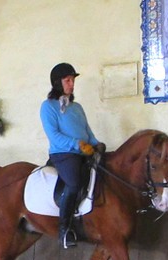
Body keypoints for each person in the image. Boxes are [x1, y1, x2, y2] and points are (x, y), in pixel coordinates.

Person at [40, 63, 104, 249]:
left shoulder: (77, 107)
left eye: (73, 80)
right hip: (63, 154)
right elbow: (54, 136)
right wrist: (77, 144)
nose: (72, 84)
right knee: (74, 182)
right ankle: (64, 230)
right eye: (68, 80)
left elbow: (87, 132)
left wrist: (95, 143)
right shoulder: (48, 107)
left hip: (84, 152)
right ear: (57, 83)